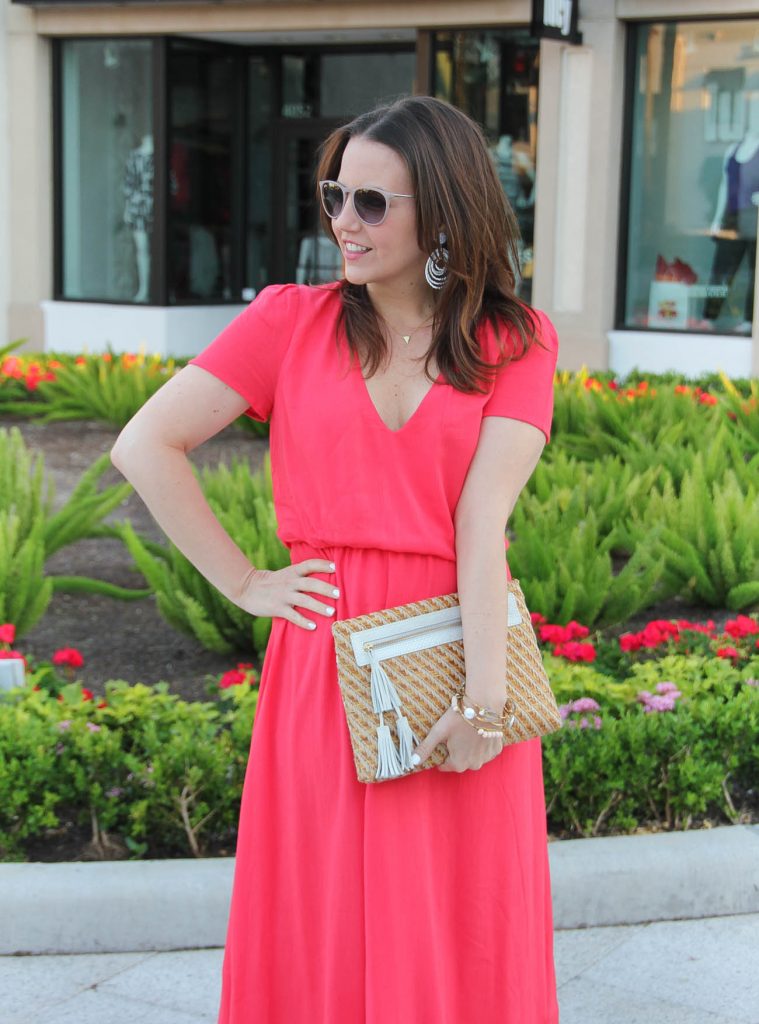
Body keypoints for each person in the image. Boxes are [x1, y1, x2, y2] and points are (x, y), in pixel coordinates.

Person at [110, 95, 560, 1023]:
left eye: (371, 204)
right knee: (321, 902)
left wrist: (485, 703)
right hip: (324, 652)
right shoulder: (291, 321)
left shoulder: (511, 339)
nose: (342, 224)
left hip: (454, 643)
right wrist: (242, 580)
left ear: (441, 210)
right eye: (333, 196)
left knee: (460, 905)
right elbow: (144, 446)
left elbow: (482, 526)